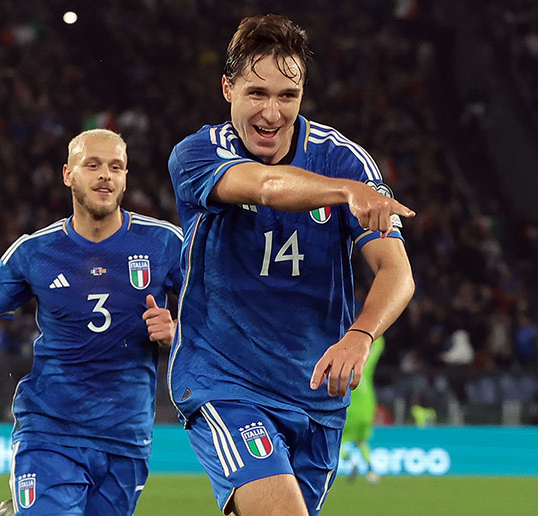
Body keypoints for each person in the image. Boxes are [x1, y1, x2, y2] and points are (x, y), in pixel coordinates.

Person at [167, 15, 415, 516]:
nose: (272, 112)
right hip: (227, 382)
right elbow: (265, 186)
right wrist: (346, 193)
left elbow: (397, 273)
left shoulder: (344, 159)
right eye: (256, 93)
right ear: (226, 89)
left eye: (288, 95)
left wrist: (360, 335)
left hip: (317, 395)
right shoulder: (198, 154)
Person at [0, 129, 182, 516]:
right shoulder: (35, 251)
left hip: (125, 439)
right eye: (92, 165)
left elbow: (219, 320)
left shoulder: (165, 244)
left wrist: (178, 334)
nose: (105, 175)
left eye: (116, 167)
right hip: (49, 432)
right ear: (67, 174)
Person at [341, 335, 385, 483]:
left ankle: (350, 462)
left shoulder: (343, 365)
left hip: (351, 407)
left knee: (338, 441)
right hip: (367, 406)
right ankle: (371, 471)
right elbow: (378, 348)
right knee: (361, 442)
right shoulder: (366, 364)